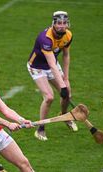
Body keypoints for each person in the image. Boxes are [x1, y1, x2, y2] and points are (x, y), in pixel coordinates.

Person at [27, 11, 78, 141]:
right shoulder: (45, 38)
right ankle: (40, 128)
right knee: (49, 97)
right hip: (37, 68)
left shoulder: (68, 35)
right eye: (59, 23)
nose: (62, 26)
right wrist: (62, 86)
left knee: (68, 95)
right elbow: (51, 64)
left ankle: (64, 116)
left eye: (64, 23)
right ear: (53, 24)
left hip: (52, 65)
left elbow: (66, 55)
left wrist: (65, 79)